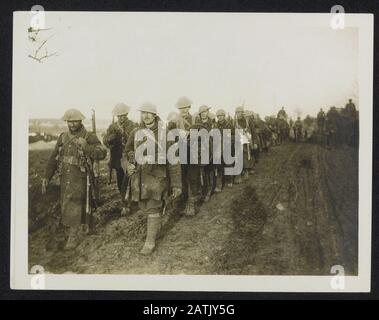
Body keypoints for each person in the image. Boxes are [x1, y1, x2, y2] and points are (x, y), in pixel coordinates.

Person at [42, 109, 107, 250]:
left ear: (81, 121)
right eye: (69, 121)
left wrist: (87, 147)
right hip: (65, 178)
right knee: (68, 204)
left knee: (75, 204)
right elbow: (54, 157)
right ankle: (82, 226)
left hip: (82, 178)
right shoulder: (63, 137)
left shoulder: (89, 136)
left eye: (75, 121)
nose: (72, 124)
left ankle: (73, 236)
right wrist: (47, 176)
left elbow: (102, 153)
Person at [124, 102, 182, 255]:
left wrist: (177, 184)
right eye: (143, 113)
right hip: (140, 178)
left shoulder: (165, 133)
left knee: (152, 207)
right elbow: (125, 153)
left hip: (158, 177)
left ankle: (150, 242)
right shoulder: (135, 132)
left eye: (149, 113)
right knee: (144, 206)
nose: (146, 116)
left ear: (155, 115)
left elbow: (174, 160)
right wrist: (127, 165)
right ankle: (153, 226)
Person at [103, 103, 137, 216]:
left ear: (126, 114)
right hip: (117, 158)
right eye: (119, 116)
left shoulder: (132, 125)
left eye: (123, 115)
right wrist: (109, 139)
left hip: (128, 157)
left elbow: (136, 140)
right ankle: (125, 200)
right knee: (119, 180)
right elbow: (105, 141)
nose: (121, 118)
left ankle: (127, 203)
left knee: (127, 180)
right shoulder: (112, 127)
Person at [234, 106, 255, 183]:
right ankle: (240, 171)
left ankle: (246, 171)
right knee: (238, 156)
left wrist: (255, 142)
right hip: (238, 140)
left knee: (246, 155)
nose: (238, 114)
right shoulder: (234, 121)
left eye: (240, 112)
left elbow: (253, 131)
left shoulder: (247, 120)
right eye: (237, 112)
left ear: (242, 113)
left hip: (246, 140)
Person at [214, 109, 234, 189]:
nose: (220, 118)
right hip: (218, 148)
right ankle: (219, 184)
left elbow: (234, 135)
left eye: (221, 116)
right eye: (218, 116)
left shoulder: (229, 125)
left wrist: (229, 138)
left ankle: (229, 180)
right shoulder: (215, 126)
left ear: (224, 116)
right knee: (219, 166)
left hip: (227, 147)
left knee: (228, 164)